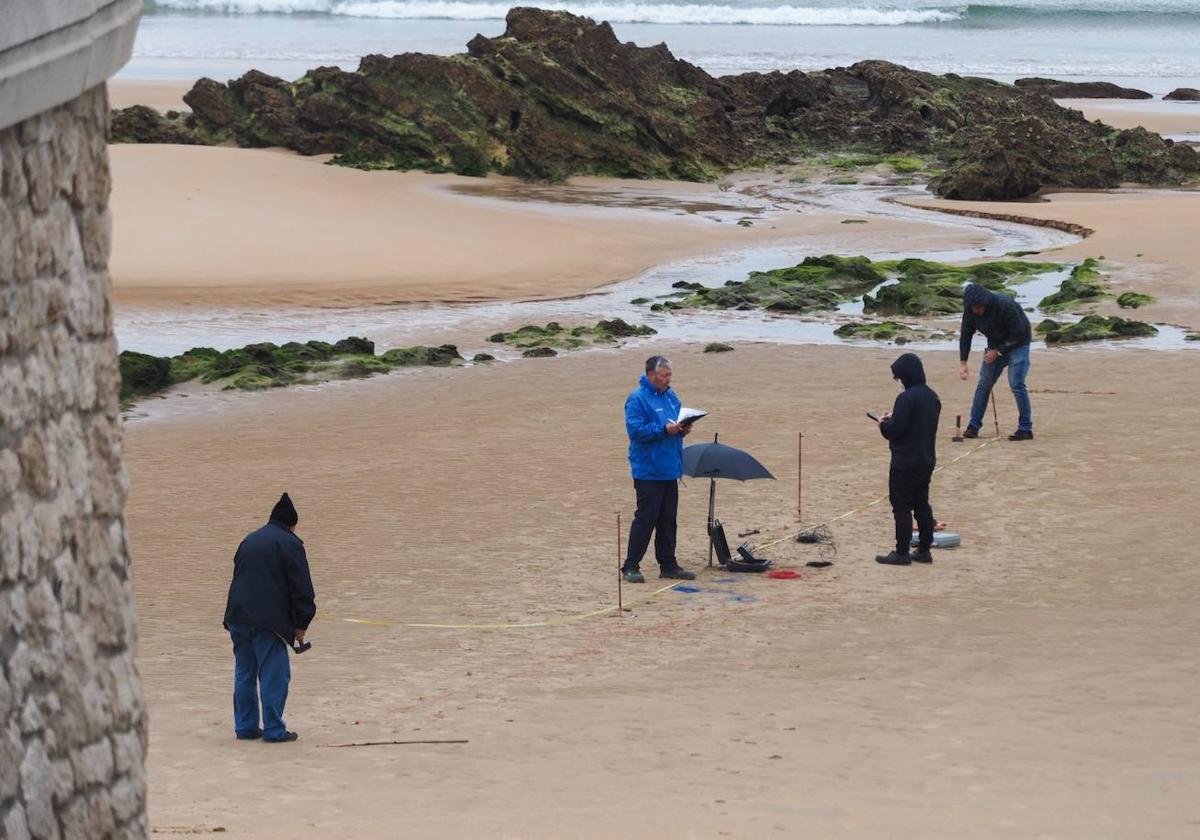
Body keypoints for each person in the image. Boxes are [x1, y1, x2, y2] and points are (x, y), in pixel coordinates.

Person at [223, 492, 317, 743]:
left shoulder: (249, 540)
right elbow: (302, 589)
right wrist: (301, 625)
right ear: (291, 524)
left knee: (245, 671)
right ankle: (274, 729)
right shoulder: (290, 543)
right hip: (268, 622)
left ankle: (245, 727)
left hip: (237, 616)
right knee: (275, 674)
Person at [621, 356, 697, 583]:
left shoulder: (671, 396)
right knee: (646, 518)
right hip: (648, 470)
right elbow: (636, 431)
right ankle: (630, 566)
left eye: (669, 375)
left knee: (668, 519)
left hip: (670, 467)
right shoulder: (637, 399)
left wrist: (683, 429)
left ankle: (668, 564)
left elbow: (675, 423)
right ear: (651, 375)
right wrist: (664, 430)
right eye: (664, 375)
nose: (668, 379)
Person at [876, 353, 941, 566]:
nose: (899, 382)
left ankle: (902, 552)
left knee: (901, 506)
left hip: (905, 461)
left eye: (899, 377)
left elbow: (894, 430)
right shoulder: (932, 397)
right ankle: (924, 549)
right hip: (926, 459)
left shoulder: (906, 398)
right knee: (921, 504)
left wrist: (883, 423)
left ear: (906, 376)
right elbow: (915, 424)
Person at [959, 282, 1034, 441]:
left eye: (978, 307)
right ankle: (973, 426)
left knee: (1016, 384)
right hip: (995, 344)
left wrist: (998, 352)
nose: (976, 311)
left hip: (1019, 342)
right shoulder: (970, 311)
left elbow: (1019, 333)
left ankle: (1025, 428)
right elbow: (965, 334)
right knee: (984, 383)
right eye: (972, 307)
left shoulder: (1005, 305)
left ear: (985, 303)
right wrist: (963, 362)